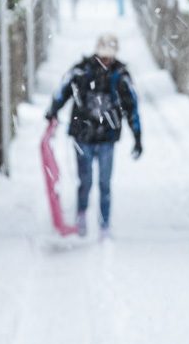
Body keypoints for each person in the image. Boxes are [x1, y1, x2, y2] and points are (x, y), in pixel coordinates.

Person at [45, 34, 141, 238]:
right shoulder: (81, 71)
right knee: (85, 181)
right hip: (83, 136)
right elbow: (63, 91)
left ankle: (105, 224)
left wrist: (137, 136)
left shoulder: (121, 76)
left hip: (107, 138)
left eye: (109, 57)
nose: (106, 60)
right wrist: (53, 110)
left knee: (105, 184)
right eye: (103, 56)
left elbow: (132, 107)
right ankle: (81, 215)